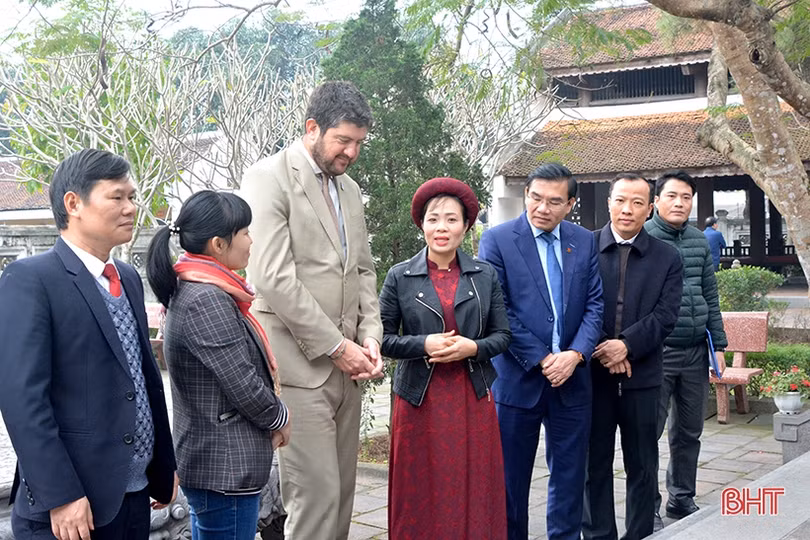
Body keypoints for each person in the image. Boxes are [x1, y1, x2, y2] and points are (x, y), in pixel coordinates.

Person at [0, 149, 177, 540]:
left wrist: (164, 464)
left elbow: (143, 378)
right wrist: (61, 495)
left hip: (133, 496)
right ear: (73, 203)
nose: (131, 207)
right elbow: (21, 399)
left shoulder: (127, 277)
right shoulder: (31, 279)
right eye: (117, 197)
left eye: (132, 196)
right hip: (71, 507)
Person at [241, 81, 383, 540]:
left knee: (342, 497)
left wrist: (370, 336)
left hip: (349, 367)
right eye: (343, 140)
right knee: (314, 500)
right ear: (312, 128)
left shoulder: (351, 189)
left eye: (359, 142)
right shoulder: (268, 177)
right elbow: (273, 277)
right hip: (299, 367)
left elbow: (363, 269)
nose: (352, 152)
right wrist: (336, 346)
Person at [145, 190, 291, 540]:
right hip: (224, 466)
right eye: (244, 232)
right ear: (218, 244)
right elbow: (242, 381)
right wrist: (280, 417)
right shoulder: (205, 298)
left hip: (218, 464)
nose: (251, 240)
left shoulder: (200, 288)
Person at [379, 177, 511, 539]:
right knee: (419, 485)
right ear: (421, 224)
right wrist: (423, 345)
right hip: (420, 399)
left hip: (472, 394)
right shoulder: (400, 277)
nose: (442, 227)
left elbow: (503, 335)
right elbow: (383, 339)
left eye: (451, 219)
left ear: (467, 225)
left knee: (473, 482)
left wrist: (474, 347)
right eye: (433, 218)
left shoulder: (484, 275)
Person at [478, 163, 604, 540]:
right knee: (510, 481)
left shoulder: (583, 241)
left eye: (554, 201)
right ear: (526, 195)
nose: (542, 208)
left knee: (569, 477)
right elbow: (496, 309)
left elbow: (595, 303)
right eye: (535, 198)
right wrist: (544, 358)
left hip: (573, 381)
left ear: (570, 204)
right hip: (518, 381)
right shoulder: (497, 240)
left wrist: (576, 354)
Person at [582, 174, 682, 540]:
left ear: (650, 208)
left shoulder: (667, 257)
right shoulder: (585, 247)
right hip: (592, 375)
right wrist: (605, 348)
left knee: (642, 463)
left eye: (638, 202)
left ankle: (640, 533)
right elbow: (575, 308)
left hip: (643, 377)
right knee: (595, 463)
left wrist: (625, 345)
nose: (628, 209)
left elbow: (666, 315)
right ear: (609, 201)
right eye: (621, 200)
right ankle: (598, 535)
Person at [644, 170, 727, 530]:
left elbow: (710, 293)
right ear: (656, 202)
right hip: (657, 353)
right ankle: (646, 505)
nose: (680, 203)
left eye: (686, 197)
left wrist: (718, 345)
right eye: (672, 196)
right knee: (650, 431)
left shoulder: (697, 241)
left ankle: (682, 497)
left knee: (689, 430)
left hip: (695, 350)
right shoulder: (643, 238)